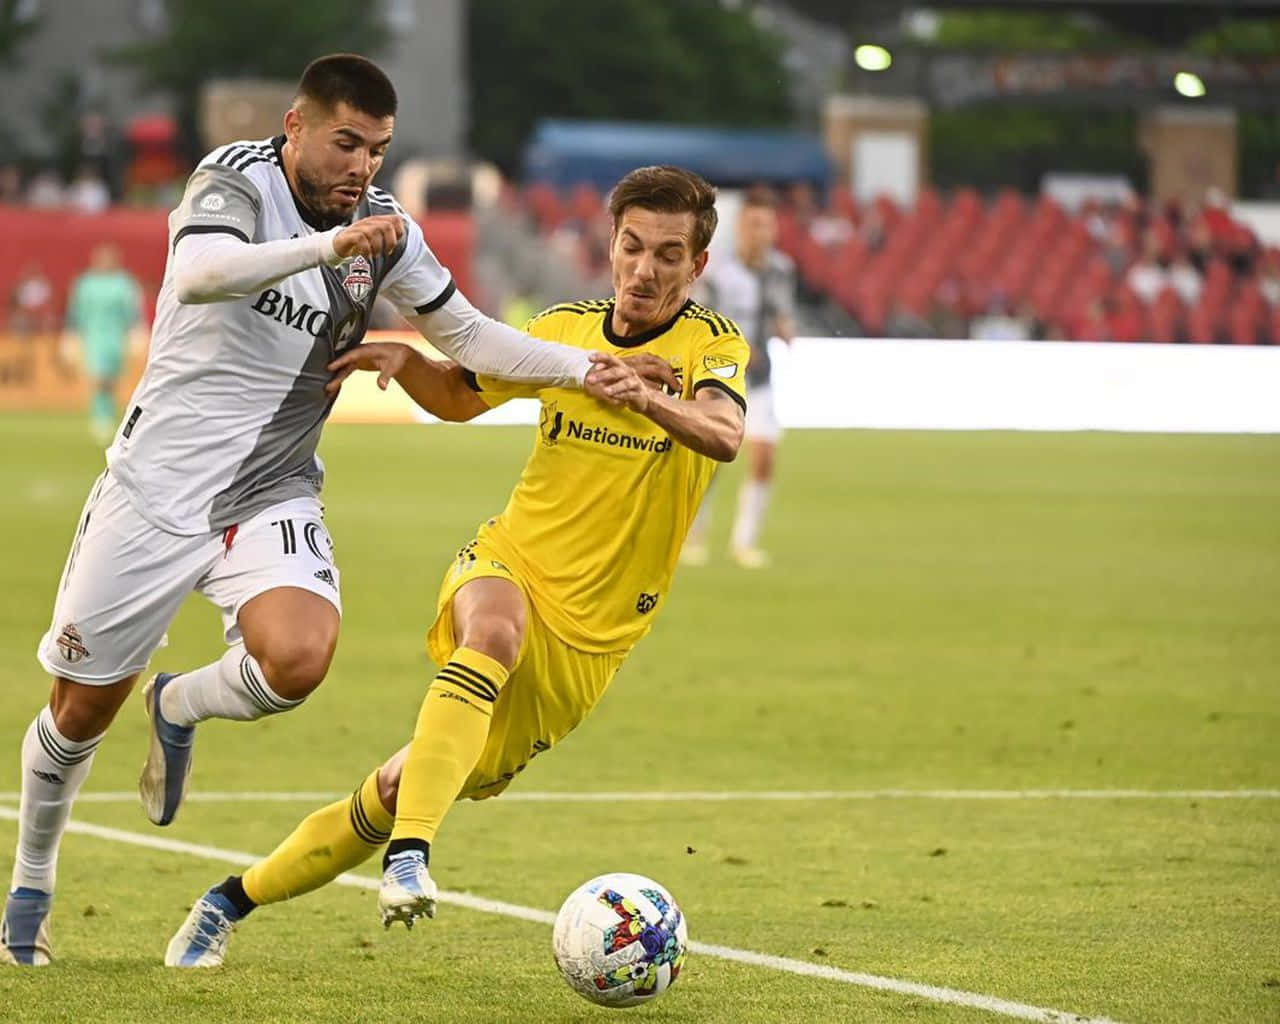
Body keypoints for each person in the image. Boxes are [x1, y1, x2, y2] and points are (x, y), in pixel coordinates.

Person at [1, 53, 620, 967]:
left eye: (377, 150)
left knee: (298, 657)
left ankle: (179, 702)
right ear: (295, 128)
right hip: (157, 490)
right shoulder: (234, 180)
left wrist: (586, 367)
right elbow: (204, 273)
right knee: (80, 712)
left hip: (272, 485)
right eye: (345, 144)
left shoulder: (386, 227)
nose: (361, 167)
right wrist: (326, 248)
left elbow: (466, 334)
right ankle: (31, 881)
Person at [163, 164, 748, 966]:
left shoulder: (712, 345)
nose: (645, 270)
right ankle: (413, 856)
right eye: (632, 247)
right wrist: (408, 364)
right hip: (510, 558)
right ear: (609, 246)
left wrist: (645, 398)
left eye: (669, 255)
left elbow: (723, 434)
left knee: (400, 788)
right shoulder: (563, 329)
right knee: (493, 630)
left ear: (697, 267)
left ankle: (229, 899)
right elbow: (460, 395)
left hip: (593, 637)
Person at [684, 185, 795, 568]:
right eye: (752, 224)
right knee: (711, 459)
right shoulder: (720, 273)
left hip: (762, 378)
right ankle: (695, 533)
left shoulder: (782, 271)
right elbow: (703, 319)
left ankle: (744, 542)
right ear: (741, 227)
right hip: (722, 379)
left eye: (765, 225)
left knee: (763, 457)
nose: (758, 233)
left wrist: (785, 328)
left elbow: (782, 311)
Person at [63, 244, 143, 442]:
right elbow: (76, 311)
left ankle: (108, 414)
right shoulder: (86, 283)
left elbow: (133, 310)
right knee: (99, 377)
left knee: (112, 379)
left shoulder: (124, 283)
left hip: (116, 337)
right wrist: (72, 334)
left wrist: (137, 331)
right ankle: (100, 418)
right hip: (94, 337)